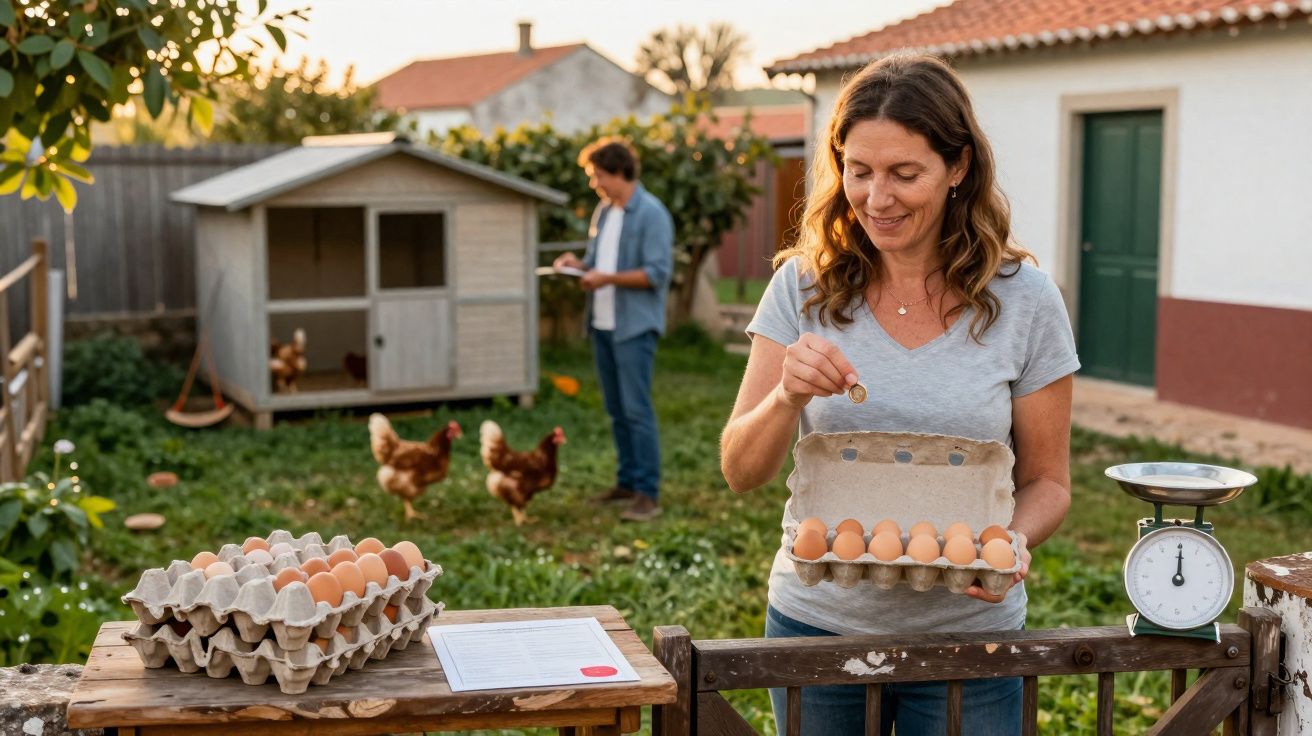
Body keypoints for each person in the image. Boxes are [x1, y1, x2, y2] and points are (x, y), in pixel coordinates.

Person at [718, 54, 1081, 735]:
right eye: (859, 171)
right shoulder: (802, 289)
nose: (877, 198)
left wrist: (1015, 540)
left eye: (904, 174)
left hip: (972, 638)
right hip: (816, 629)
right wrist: (784, 398)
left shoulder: (1026, 301)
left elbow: (1048, 482)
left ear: (959, 167)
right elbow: (740, 471)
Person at [554, 137, 674, 522]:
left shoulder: (652, 214)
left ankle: (647, 494)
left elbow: (657, 274)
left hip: (634, 328)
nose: (595, 184)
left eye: (598, 175)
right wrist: (578, 264)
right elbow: (595, 263)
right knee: (616, 409)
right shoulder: (604, 212)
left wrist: (607, 278)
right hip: (602, 326)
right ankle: (626, 482)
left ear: (620, 172)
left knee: (637, 411)